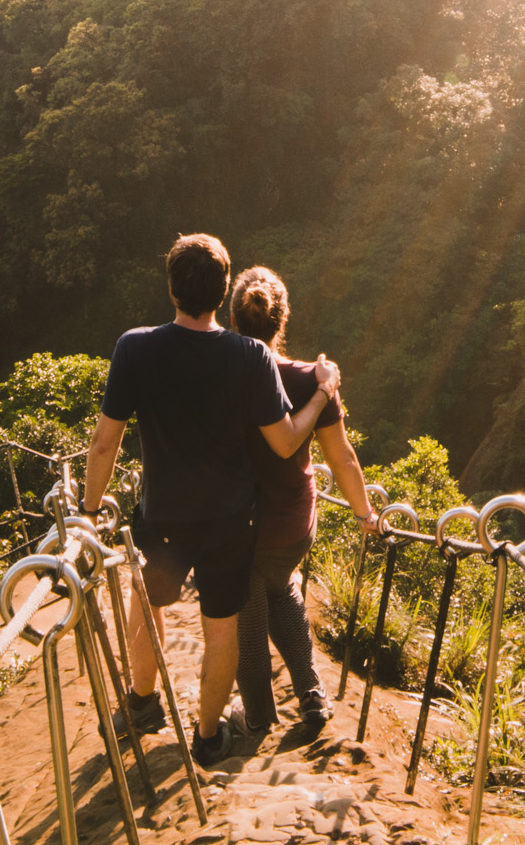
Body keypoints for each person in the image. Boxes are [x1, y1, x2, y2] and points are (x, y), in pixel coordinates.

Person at [79, 234, 335, 766]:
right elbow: (287, 440)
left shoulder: (135, 347)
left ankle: (142, 703)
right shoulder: (249, 356)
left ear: (172, 288)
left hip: (163, 512)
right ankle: (208, 736)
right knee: (220, 625)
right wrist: (321, 395)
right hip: (228, 520)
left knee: (147, 604)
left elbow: (106, 441)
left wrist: (88, 509)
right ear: (223, 293)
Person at [228, 266, 377, 747]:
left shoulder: (216, 375)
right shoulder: (308, 378)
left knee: (245, 612)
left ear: (234, 317)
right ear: (282, 318)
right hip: (293, 523)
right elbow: (343, 458)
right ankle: (311, 693)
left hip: (237, 525)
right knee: (281, 590)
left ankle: (255, 717)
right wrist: (365, 515)